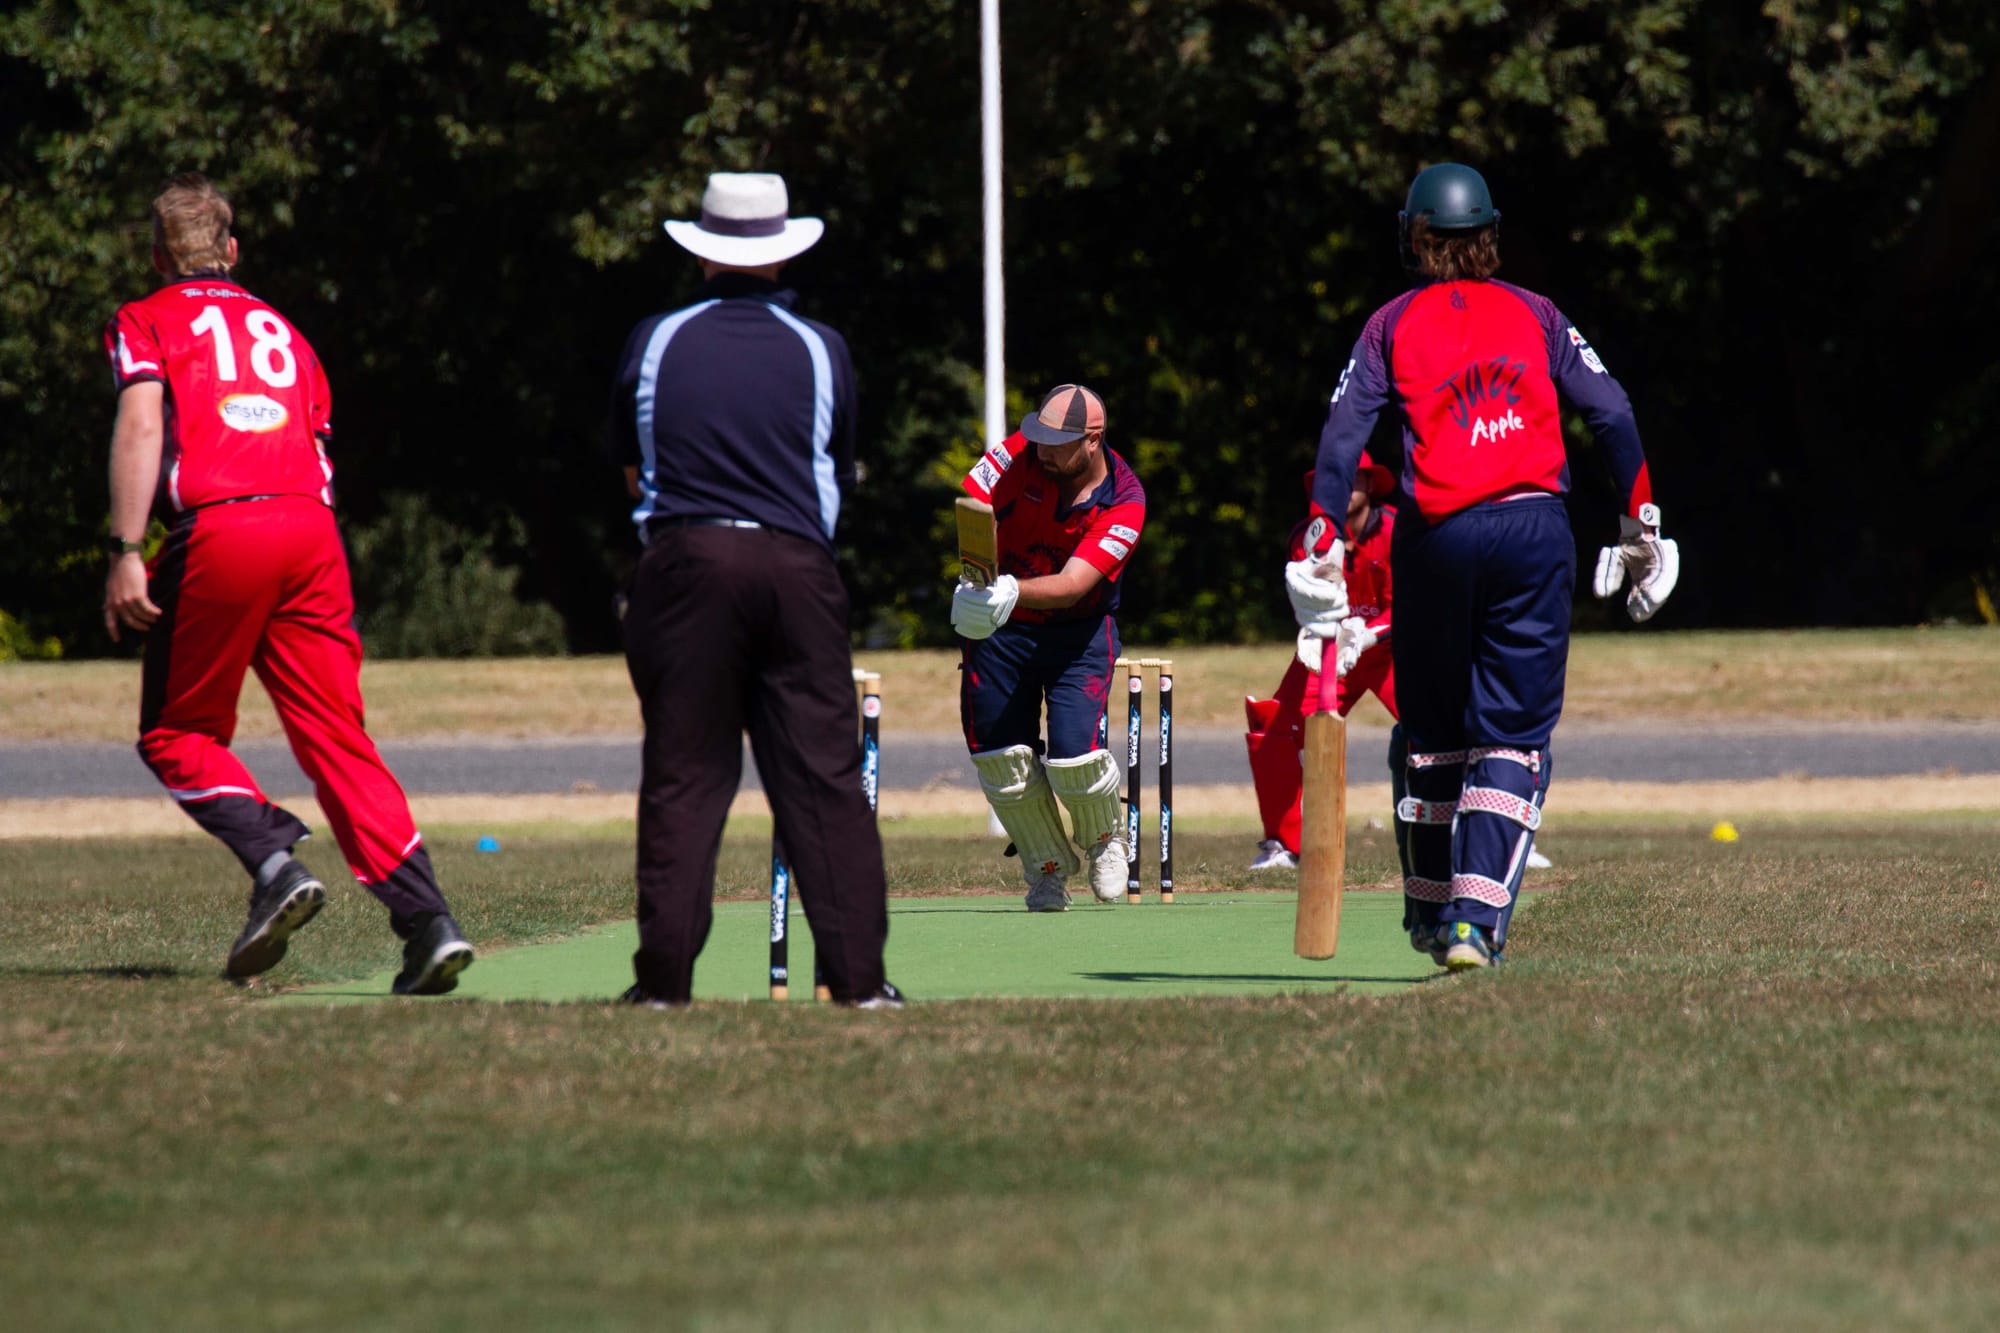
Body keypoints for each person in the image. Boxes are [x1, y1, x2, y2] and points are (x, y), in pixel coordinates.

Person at [1286, 162, 1677, 971]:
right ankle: (1472, 923)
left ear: (1417, 239)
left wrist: (1322, 534)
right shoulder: (1537, 312)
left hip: (1438, 537)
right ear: (1488, 235)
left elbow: (1339, 437)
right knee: (1513, 733)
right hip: (1536, 531)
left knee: (1431, 731)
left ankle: (1431, 915)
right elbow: (1611, 410)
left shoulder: (1388, 324)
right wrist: (1640, 521)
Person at [101, 173, 473, 994]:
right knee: (338, 738)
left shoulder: (147, 319)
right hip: (311, 530)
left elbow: (142, 422)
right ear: (233, 251)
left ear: (160, 257)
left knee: (176, 732)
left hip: (224, 527)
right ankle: (428, 921)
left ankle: (273, 861)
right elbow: (320, 450)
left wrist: (127, 546)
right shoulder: (290, 333)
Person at [608, 171, 899, 1007]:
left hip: (685, 560)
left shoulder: (655, 340)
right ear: (780, 253)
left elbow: (634, 468)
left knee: (684, 775)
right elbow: (837, 471)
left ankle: (662, 983)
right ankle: (860, 984)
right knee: (823, 778)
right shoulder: (821, 347)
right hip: (795, 566)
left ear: (702, 253)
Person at [952, 385, 1147, 911]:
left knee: (1074, 759)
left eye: (1055, 441)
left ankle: (1107, 842)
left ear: (1092, 441)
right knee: (1002, 760)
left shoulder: (1126, 502)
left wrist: (1007, 590)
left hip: (1078, 633)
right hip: (1002, 631)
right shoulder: (1021, 448)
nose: (1040, 448)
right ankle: (1047, 869)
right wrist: (978, 575)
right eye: (1036, 434)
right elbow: (975, 502)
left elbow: (1074, 584)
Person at [1245, 453, 1406, 874]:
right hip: (1329, 652)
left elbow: (1410, 605)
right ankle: (1283, 843)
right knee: (1274, 727)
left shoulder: (1397, 529)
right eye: (1333, 480)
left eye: (1353, 479)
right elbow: (1309, 598)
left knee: (1444, 727)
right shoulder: (1309, 535)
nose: (1343, 487)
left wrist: (1369, 634)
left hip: (1393, 651)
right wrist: (1318, 634)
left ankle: (1479, 832)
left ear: (1371, 485)